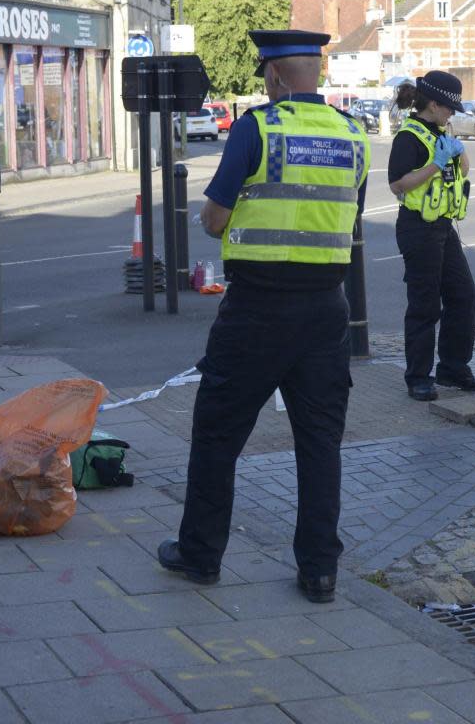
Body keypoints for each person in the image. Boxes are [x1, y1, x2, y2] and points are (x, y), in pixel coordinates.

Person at [157, 30, 370, 604]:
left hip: (257, 309)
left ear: (275, 78)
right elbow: (350, 212)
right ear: (316, 75)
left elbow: (213, 218)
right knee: (320, 442)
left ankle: (201, 557)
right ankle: (319, 570)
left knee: (218, 434)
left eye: (263, 76)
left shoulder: (259, 127)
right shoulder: (355, 134)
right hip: (327, 310)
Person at [388, 71, 475, 402]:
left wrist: (458, 153)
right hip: (418, 227)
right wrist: (435, 163)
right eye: (449, 108)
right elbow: (398, 184)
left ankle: (453, 368)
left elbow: (463, 171)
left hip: (443, 225)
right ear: (434, 104)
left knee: (463, 294)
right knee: (425, 304)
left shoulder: (440, 130)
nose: (453, 114)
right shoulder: (409, 137)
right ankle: (418, 376)